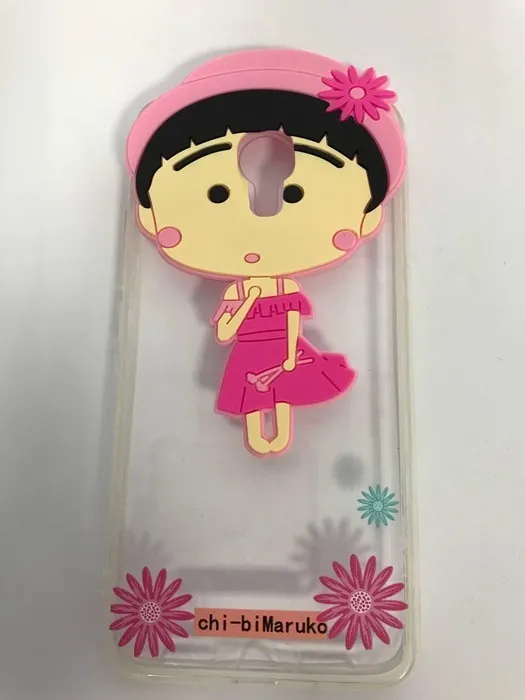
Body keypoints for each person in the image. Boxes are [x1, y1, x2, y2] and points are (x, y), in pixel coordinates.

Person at [126, 48, 406, 456]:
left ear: (368, 217)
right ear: (150, 216)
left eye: (294, 194)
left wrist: (289, 358)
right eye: (216, 194)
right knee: (254, 404)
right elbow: (225, 332)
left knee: (281, 397)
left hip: (280, 354)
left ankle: (274, 432)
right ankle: (264, 436)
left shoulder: (286, 290)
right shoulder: (238, 292)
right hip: (249, 353)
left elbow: (292, 322)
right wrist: (245, 302)